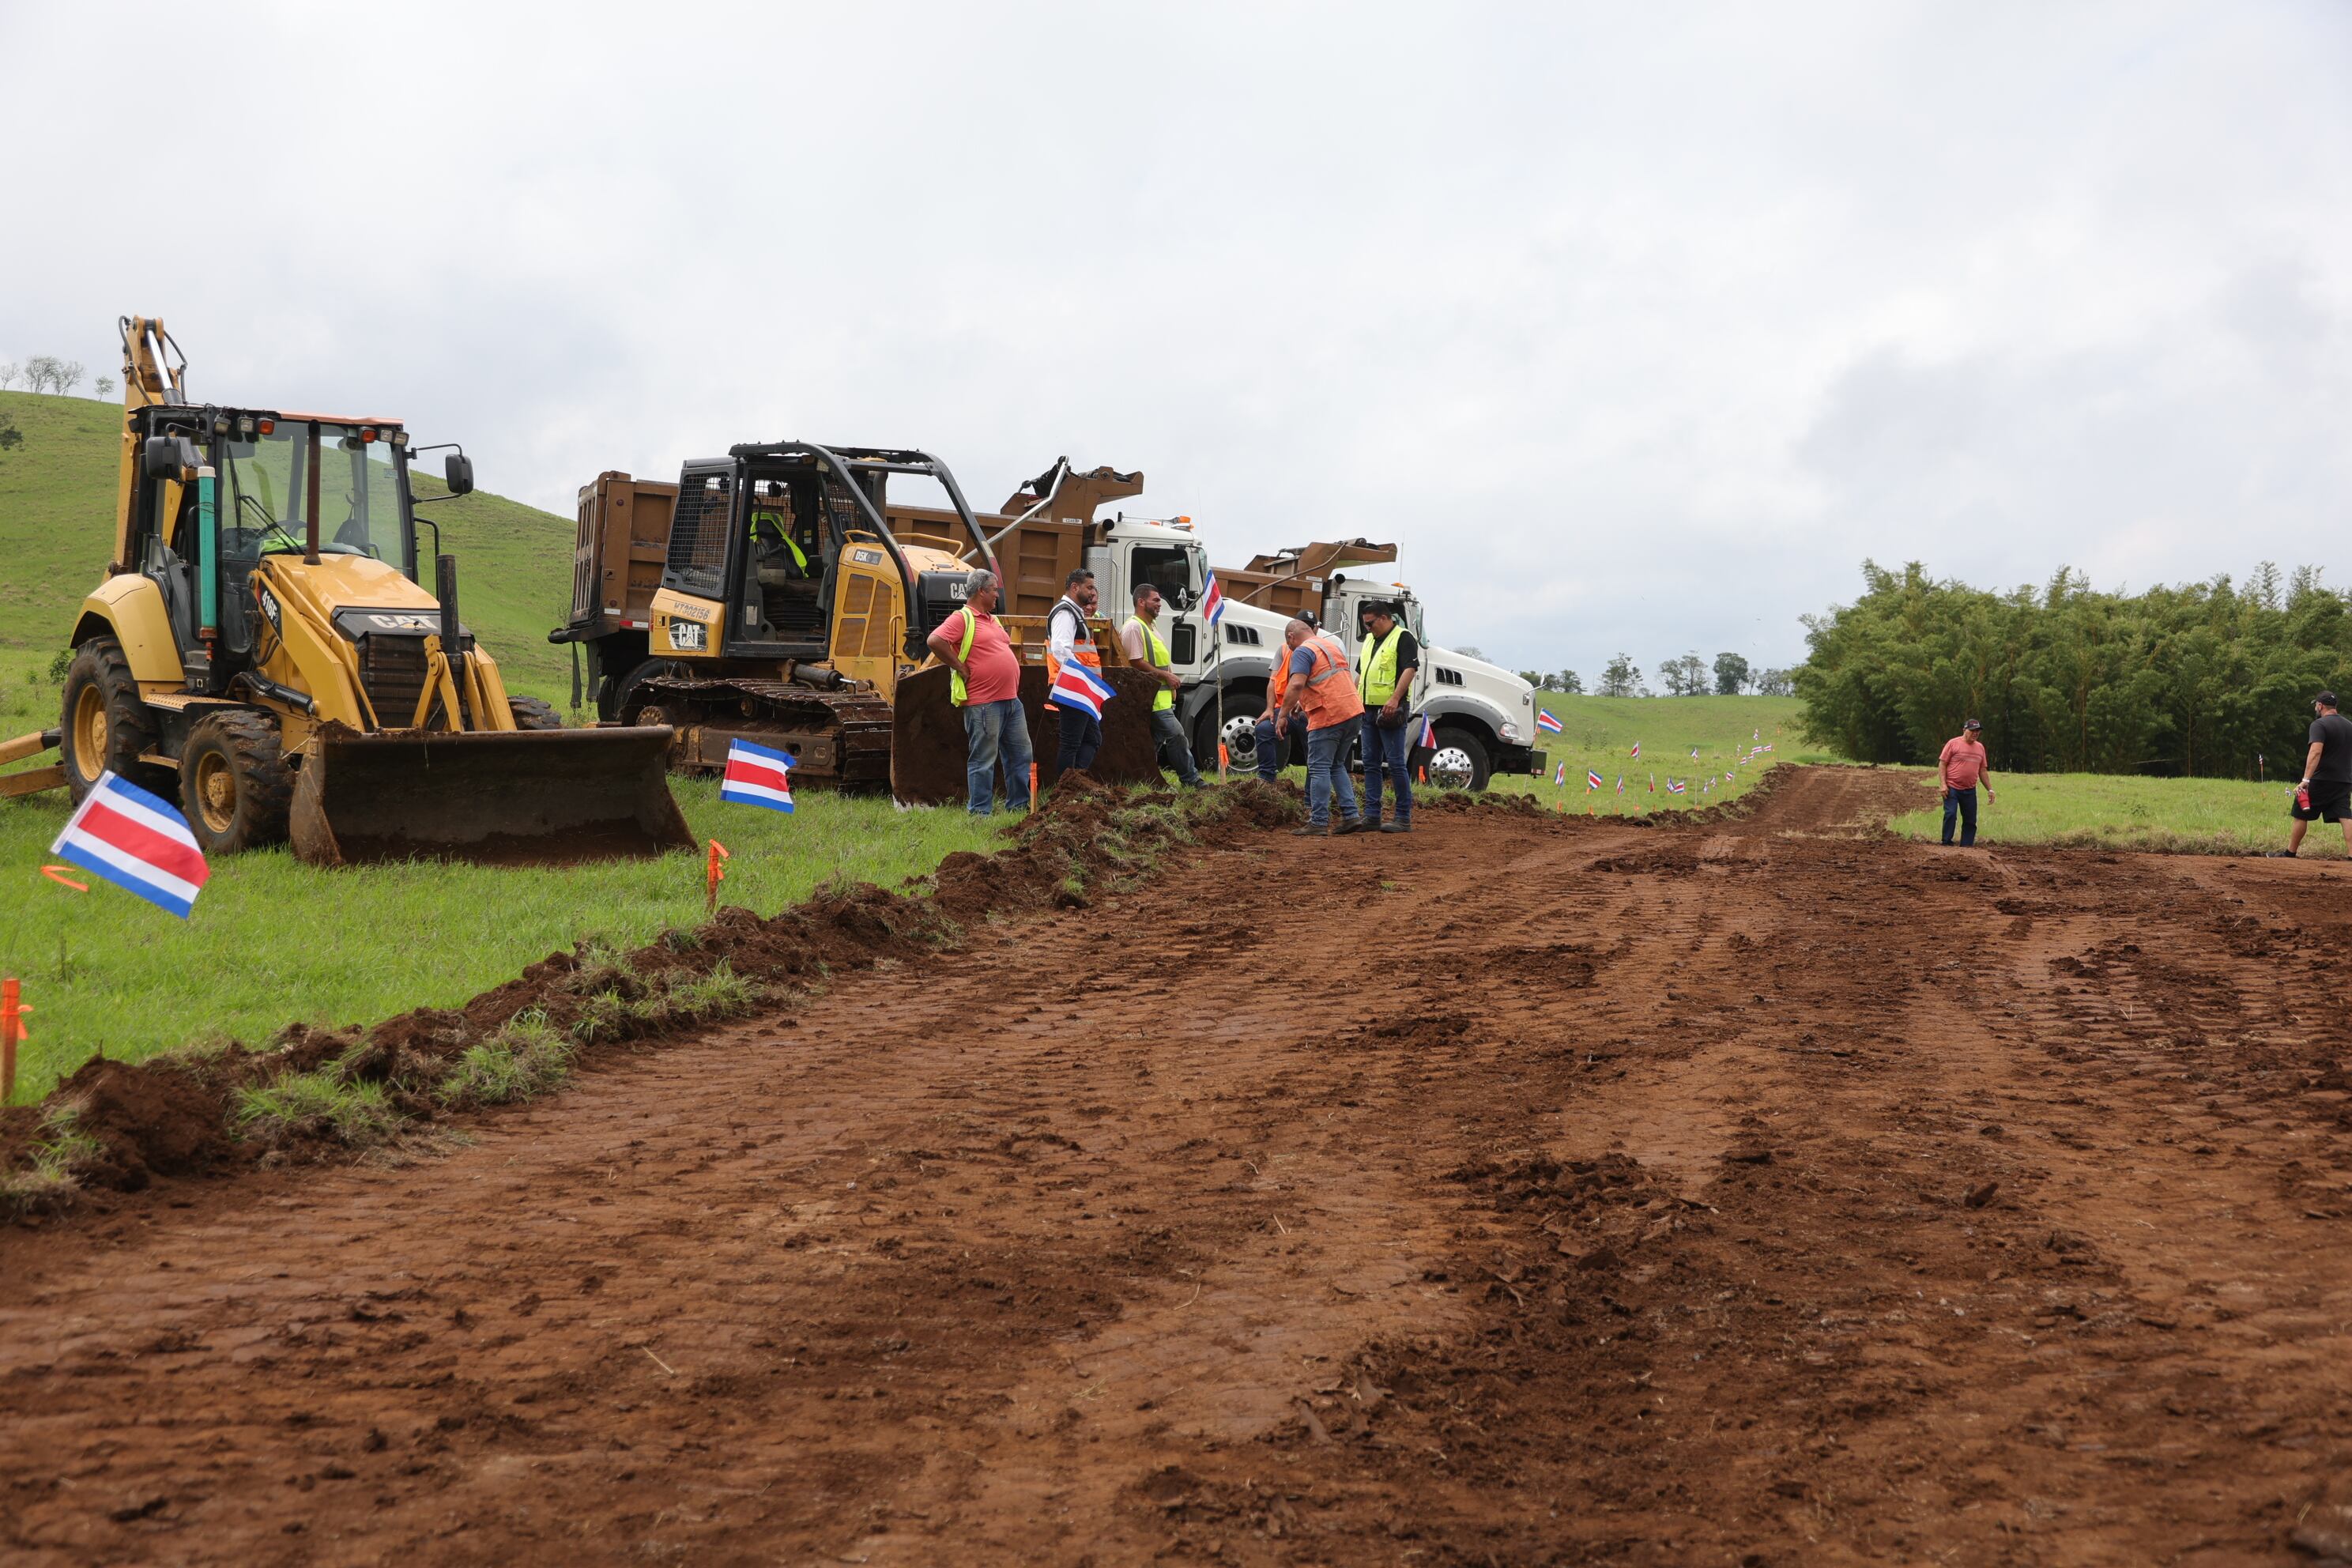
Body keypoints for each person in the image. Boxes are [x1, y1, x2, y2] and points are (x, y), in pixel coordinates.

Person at [925, 568, 1031, 816]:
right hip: (984, 703)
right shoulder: (962, 618)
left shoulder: (992, 619)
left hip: (1011, 701)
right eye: (994, 589)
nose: (997, 594)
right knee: (983, 759)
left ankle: (1019, 807)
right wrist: (959, 666)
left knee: (1021, 756)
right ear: (981, 591)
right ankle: (980, 813)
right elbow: (935, 640)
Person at [1278, 615, 1366, 835]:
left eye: (1288, 643)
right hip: (1352, 711)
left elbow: (1297, 683)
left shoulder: (1302, 651)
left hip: (1329, 715)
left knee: (1318, 767)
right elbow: (1327, 680)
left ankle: (1318, 821)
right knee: (1336, 765)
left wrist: (1283, 714)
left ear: (1291, 636)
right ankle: (1351, 816)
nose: (1289, 647)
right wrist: (1302, 703)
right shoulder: (1330, 646)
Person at [1121, 582, 1202, 787]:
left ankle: (1144, 779)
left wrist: (1170, 681)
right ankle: (1191, 780)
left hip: (1160, 697)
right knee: (1176, 735)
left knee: (1152, 745)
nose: (1160, 604)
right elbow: (1135, 662)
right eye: (1155, 600)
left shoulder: (1151, 626)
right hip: (1152, 699)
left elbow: (1160, 660)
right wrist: (1166, 677)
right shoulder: (1133, 627)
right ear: (1141, 602)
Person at [1354, 601, 1420, 833]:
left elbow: (1409, 670)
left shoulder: (1403, 637)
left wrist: (1394, 699)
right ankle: (1372, 816)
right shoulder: (1371, 640)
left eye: (1370, 623)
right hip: (1368, 710)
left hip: (1391, 710)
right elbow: (1361, 673)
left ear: (1384, 618)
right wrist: (1354, 699)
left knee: (1395, 763)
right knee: (1370, 764)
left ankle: (1403, 817)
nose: (1368, 628)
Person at [2276, 691, 2352, 858]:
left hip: (2321, 779)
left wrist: (2305, 780)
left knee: (2300, 812)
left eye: (2316, 705)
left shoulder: (2319, 725)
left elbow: (2315, 752)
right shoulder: (2349, 725)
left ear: (2320, 705)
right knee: (2345, 816)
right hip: (2344, 780)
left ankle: (2290, 853)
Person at [1045, 567, 1103, 775]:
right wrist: (1082, 677)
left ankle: (1074, 783)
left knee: (1092, 739)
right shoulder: (1064, 613)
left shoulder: (1073, 613)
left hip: (1077, 687)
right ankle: (1065, 791)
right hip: (1072, 687)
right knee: (1072, 742)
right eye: (1089, 588)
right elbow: (1061, 650)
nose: (1092, 592)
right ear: (1074, 587)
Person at [1253, 609, 1316, 782]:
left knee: (1313, 751)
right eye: (1306, 626)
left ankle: (1311, 794)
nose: (1309, 630)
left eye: (1312, 627)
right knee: (1263, 729)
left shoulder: (1319, 649)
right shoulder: (1283, 650)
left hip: (1310, 712)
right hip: (1285, 710)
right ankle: (1267, 779)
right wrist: (1269, 709)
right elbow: (1273, 681)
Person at [1938, 718, 1996, 846]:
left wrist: (1990, 789)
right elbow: (1942, 764)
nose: (1976, 733)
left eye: (1978, 731)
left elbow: (1982, 770)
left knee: (1970, 820)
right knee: (1951, 814)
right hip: (1952, 787)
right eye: (1973, 730)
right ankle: (1946, 843)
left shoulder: (1980, 748)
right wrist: (1943, 784)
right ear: (1964, 730)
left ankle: (1966, 846)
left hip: (1970, 789)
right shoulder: (1953, 744)